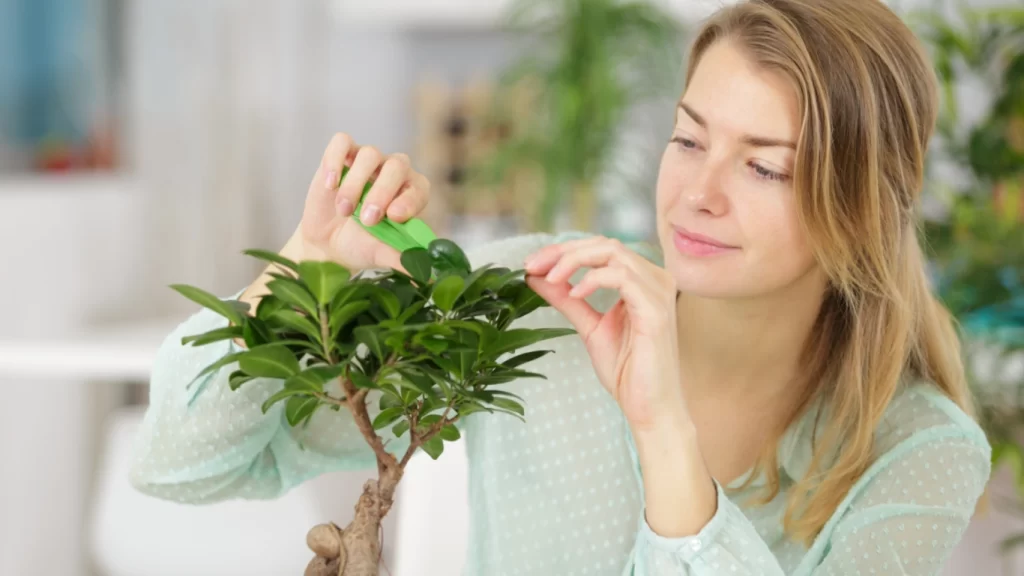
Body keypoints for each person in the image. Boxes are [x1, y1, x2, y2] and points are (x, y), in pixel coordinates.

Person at [129, 0, 992, 574]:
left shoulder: (922, 454)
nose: (698, 193)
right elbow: (182, 463)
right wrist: (308, 259)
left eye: (765, 167)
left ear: (865, 208)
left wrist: (663, 432)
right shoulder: (539, 304)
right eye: (689, 141)